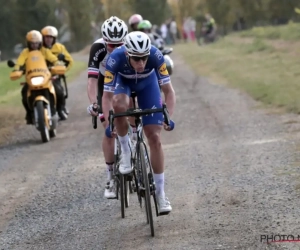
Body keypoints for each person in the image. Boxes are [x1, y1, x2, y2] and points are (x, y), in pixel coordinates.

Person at [102, 31, 176, 214]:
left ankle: (160, 194)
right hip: (123, 82)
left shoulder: (156, 56)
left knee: (155, 138)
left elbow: (169, 91)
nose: (141, 63)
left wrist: (169, 117)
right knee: (120, 105)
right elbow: (106, 96)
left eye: (144, 58)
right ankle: (126, 151)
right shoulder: (115, 59)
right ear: (127, 54)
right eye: (136, 59)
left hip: (147, 85)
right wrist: (108, 122)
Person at [86, 16, 128, 199]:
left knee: (129, 109)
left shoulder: (130, 45)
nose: (115, 49)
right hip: (105, 82)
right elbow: (92, 81)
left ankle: (133, 143)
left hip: (124, 78)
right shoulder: (98, 48)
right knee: (108, 130)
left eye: (119, 45)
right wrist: (93, 103)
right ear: (104, 41)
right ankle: (110, 177)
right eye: (111, 45)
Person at [13, 30, 61, 125]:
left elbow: (53, 58)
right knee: (24, 93)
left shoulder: (44, 51)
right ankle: (29, 114)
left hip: (45, 77)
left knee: (58, 89)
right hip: (31, 77)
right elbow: (19, 62)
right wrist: (16, 69)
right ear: (28, 43)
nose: (34, 45)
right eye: (32, 43)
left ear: (40, 43)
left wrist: (58, 64)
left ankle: (56, 110)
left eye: (36, 43)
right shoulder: (25, 52)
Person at [41, 25, 73, 120]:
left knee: (59, 91)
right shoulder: (39, 49)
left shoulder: (60, 48)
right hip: (41, 75)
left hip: (54, 76)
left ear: (54, 38)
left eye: (51, 37)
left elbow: (69, 61)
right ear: (43, 38)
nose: (48, 39)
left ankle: (61, 109)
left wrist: (61, 71)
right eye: (46, 37)